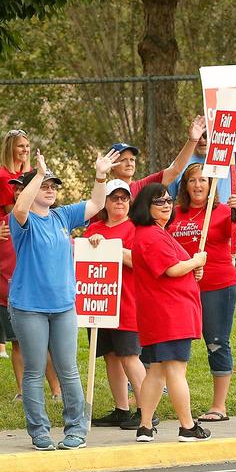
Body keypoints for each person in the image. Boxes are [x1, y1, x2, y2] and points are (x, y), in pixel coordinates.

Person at [9, 149, 119, 451]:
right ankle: (39, 432)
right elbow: (20, 207)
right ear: (30, 189)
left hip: (64, 306)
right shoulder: (21, 219)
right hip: (28, 306)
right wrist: (39, 175)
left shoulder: (61, 216)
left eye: (54, 186)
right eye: (45, 185)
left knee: (68, 368)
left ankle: (76, 430)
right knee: (34, 370)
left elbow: (97, 203)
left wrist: (100, 174)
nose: (50, 190)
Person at [167, 163, 236, 422]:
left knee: (216, 343)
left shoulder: (222, 212)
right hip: (180, 287)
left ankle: (219, 406)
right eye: (192, 180)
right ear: (185, 185)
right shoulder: (174, 214)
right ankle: (174, 400)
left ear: (211, 185)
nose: (197, 185)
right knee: (173, 343)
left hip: (218, 285)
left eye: (203, 180)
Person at [129, 183, 209, 442]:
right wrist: (196, 262)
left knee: (157, 370)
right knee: (175, 370)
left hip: (160, 312)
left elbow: (175, 267)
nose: (167, 205)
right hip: (169, 313)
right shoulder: (150, 235)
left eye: (168, 200)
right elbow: (171, 269)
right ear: (146, 207)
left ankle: (145, 426)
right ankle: (187, 426)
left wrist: (191, 267)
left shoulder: (155, 233)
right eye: (159, 201)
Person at [0, 176, 64, 402]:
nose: (20, 193)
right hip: (8, 294)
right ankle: (23, 392)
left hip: (37, 296)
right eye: (17, 190)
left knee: (46, 348)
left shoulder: (45, 219)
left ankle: (56, 390)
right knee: (17, 345)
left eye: (24, 188)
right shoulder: (6, 221)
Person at [84, 179, 148, 430]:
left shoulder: (135, 228)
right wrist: (94, 244)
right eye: (114, 197)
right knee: (110, 356)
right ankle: (122, 408)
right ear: (105, 202)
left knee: (129, 356)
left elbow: (140, 262)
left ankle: (147, 410)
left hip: (128, 302)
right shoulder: (94, 228)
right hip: (99, 301)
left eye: (124, 197)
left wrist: (112, 249)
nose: (119, 201)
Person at [0, 129, 31, 357]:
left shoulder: (28, 173)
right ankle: (4, 342)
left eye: (27, 145)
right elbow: (14, 211)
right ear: (10, 149)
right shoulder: (4, 177)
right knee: (9, 288)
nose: (25, 150)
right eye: (20, 146)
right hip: (14, 235)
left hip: (27, 232)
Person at [167, 115, 236, 203]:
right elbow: (167, 199)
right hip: (192, 221)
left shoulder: (228, 155)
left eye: (206, 135)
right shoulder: (180, 164)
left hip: (223, 220)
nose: (201, 140)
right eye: (197, 135)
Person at [110, 115, 206, 195]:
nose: (129, 163)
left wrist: (192, 140)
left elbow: (176, 168)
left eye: (132, 160)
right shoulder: (104, 192)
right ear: (112, 164)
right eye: (123, 160)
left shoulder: (143, 186)